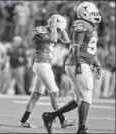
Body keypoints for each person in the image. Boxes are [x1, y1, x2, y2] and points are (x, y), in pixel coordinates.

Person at [42, 2, 102, 134]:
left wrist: (95, 63)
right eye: (92, 13)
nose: (95, 15)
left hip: (80, 63)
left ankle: (50, 116)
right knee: (86, 98)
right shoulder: (81, 23)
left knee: (78, 100)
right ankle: (81, 129)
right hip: (78, 63)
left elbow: (88, 49)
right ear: (84, 13)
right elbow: (75, 46)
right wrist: (79, 64)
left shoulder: (90, 25)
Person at [18, 14, 75, 128]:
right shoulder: (41, 30)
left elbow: (67, 40)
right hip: (42, 64)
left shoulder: (51, 30)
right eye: (58, 28)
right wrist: (54, 26)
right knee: (54, 92)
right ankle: (62, 120)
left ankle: (23, 121)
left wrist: (61, 28)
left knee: (36, 94)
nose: (58, 31)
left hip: (43, 65)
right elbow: (53, 39)